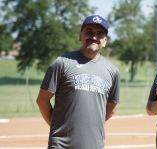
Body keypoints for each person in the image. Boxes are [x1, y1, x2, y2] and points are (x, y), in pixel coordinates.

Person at [36, 15, 120, 149]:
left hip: (95, 145)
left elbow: (111, 109)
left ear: (104, 41)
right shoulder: (61, 63)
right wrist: (58, 128)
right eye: (89, 31)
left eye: (99, 34)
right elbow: (42, 100)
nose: (94, 37)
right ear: (80, 36)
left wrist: (89, 127)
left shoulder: (112, 71)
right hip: (61, 145)